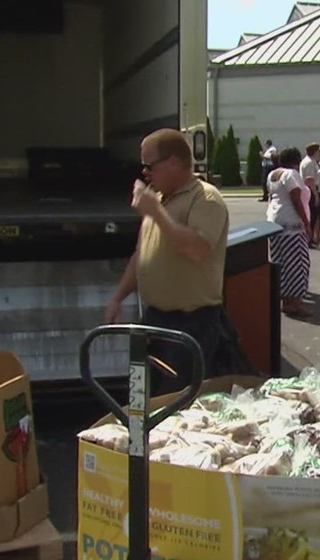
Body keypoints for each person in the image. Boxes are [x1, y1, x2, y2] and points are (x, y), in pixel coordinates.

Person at [107, 128, 255, 394]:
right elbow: (142, 254)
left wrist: (157, 213)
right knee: (145, 400)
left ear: (173, 162)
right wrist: (118, 297)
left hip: (191, 325)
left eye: (149, 165)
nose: (144, 173)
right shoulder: (160, 199)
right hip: (155, 321)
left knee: (179, 405)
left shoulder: (205, 198)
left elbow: (198, 249)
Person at [266, 147, 313, 318]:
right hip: (291, 224)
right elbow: (295, 199)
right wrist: (306, 223)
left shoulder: (272, 175)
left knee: (280, 263)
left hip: (275, 221)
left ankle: (285, 299)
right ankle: (295, 303)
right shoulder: (291, 174)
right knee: (298, 263)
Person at [301, 143, 320, 248]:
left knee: (313, 216)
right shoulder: (310, 163)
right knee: (312, 216)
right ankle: (308, 239)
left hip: (310, 190)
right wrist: (316, 195)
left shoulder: (309, 161)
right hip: (311, 191)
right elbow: (310, 180)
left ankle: (309, 239)